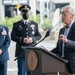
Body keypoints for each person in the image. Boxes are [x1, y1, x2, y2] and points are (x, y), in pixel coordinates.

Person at [11, 4, 41, 75]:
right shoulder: (16, 25)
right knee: (21, 72)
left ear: (29, 13)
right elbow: (12, 36)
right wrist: (23, 40)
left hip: (32, 52)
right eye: (24, 12)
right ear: (21, 13)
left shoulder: (35, 24)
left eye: (27, 12)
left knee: (31, 72)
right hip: (21, 52)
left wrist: (32, 39)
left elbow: (39, 35)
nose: (25, 14)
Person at [51, 5, 75, 75]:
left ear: (72, 16)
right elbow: (59, 48)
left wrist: (67, 41)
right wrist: (45, 52)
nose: (62, 17)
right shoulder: (62, 30)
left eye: (64, 15)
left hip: (73, 66)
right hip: (61, 65)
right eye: (62, 15)